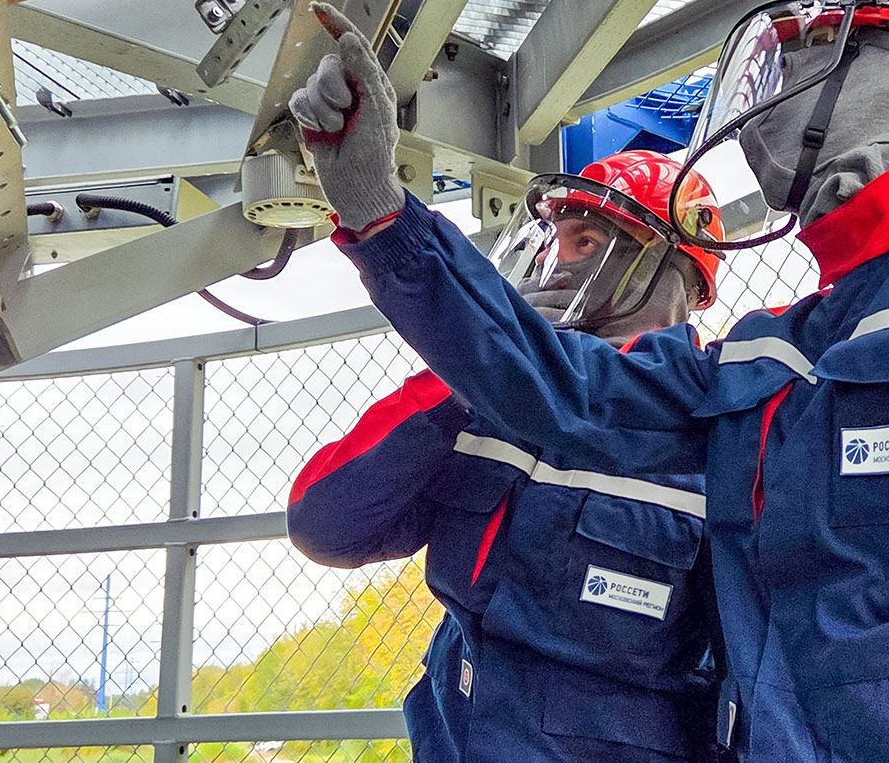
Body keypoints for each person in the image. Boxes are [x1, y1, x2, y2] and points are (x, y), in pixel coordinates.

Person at [290, 0, 889, 762]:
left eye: (790, 65)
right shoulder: (769, 350)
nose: (755, 116)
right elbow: (568, 390)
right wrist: (381, 214)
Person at [286, 148, 731, 763]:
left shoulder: (715, 429)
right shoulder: (474, 403)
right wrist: (466, 375)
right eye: (550, 240)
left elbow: (757, 668)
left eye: (584, 242)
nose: (554, 263)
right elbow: (325, 525)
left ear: (668, 267)